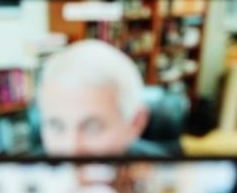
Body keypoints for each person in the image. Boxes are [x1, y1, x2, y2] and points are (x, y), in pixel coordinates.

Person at [36, 40, 166, 156]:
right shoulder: (27, 171)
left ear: (136, 123)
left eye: (92, 128)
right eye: (56, 126)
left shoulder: (166, 171)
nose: (71, 149)